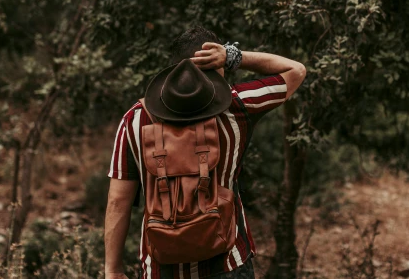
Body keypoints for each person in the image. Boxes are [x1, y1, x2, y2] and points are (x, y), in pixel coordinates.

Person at [104, 26, 307, 279]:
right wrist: (233, 56)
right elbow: (295, 70)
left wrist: (113, 270)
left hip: (161, 270)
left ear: (172, 73)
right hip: (227, 265)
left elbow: (118, 200)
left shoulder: (135, 119)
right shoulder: (237, 107)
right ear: (217, 71)